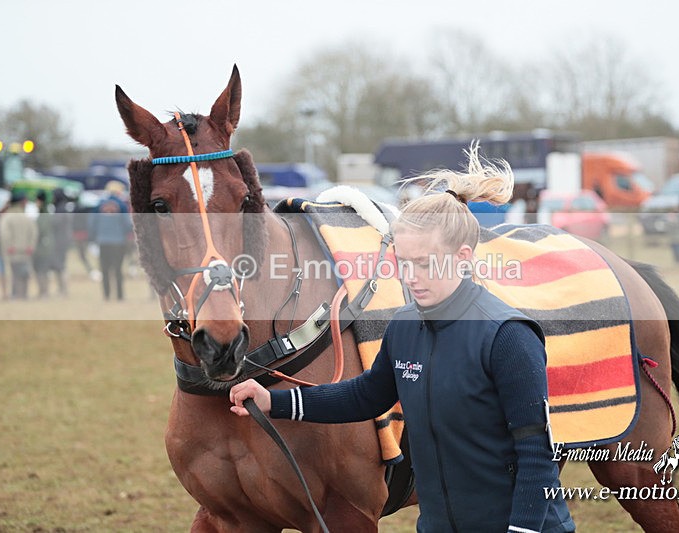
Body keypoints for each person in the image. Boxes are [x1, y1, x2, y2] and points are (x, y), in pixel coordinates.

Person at [229, 149, 575, 533]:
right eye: (403, 263)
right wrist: (273, 401)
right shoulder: (404, 326)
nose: (410, 277)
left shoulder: (509, 337)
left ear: (462, 257)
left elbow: (536, 454)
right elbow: (365, 396)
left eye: (424, 263)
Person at [89, 181, 132, 300]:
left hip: (103, 241)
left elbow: (92, 223)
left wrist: (94, 237)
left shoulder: (99, 204)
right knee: (118, 269)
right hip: (118, 242)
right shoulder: (122, 205)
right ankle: (119, 296)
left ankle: (106, 295)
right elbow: (127, 224)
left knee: (105, 269)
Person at [0, 191, 37, 299]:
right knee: (24, 273)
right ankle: (23, 294)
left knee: (15, 273)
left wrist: (9, 246)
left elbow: (4, 234)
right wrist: (31, 246)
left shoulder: (7, 217)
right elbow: (33, 233)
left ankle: (17, 294)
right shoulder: (27, 217)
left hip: (13, 251)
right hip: (25, 251)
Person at [32, 190, 56, 298]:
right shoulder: (48, 212)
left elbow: (40, 230)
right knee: (43, 270)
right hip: (47, 246)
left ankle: (43, 291)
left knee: (41, 270)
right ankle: (44, 291)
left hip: (42, 247)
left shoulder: (43, 214)